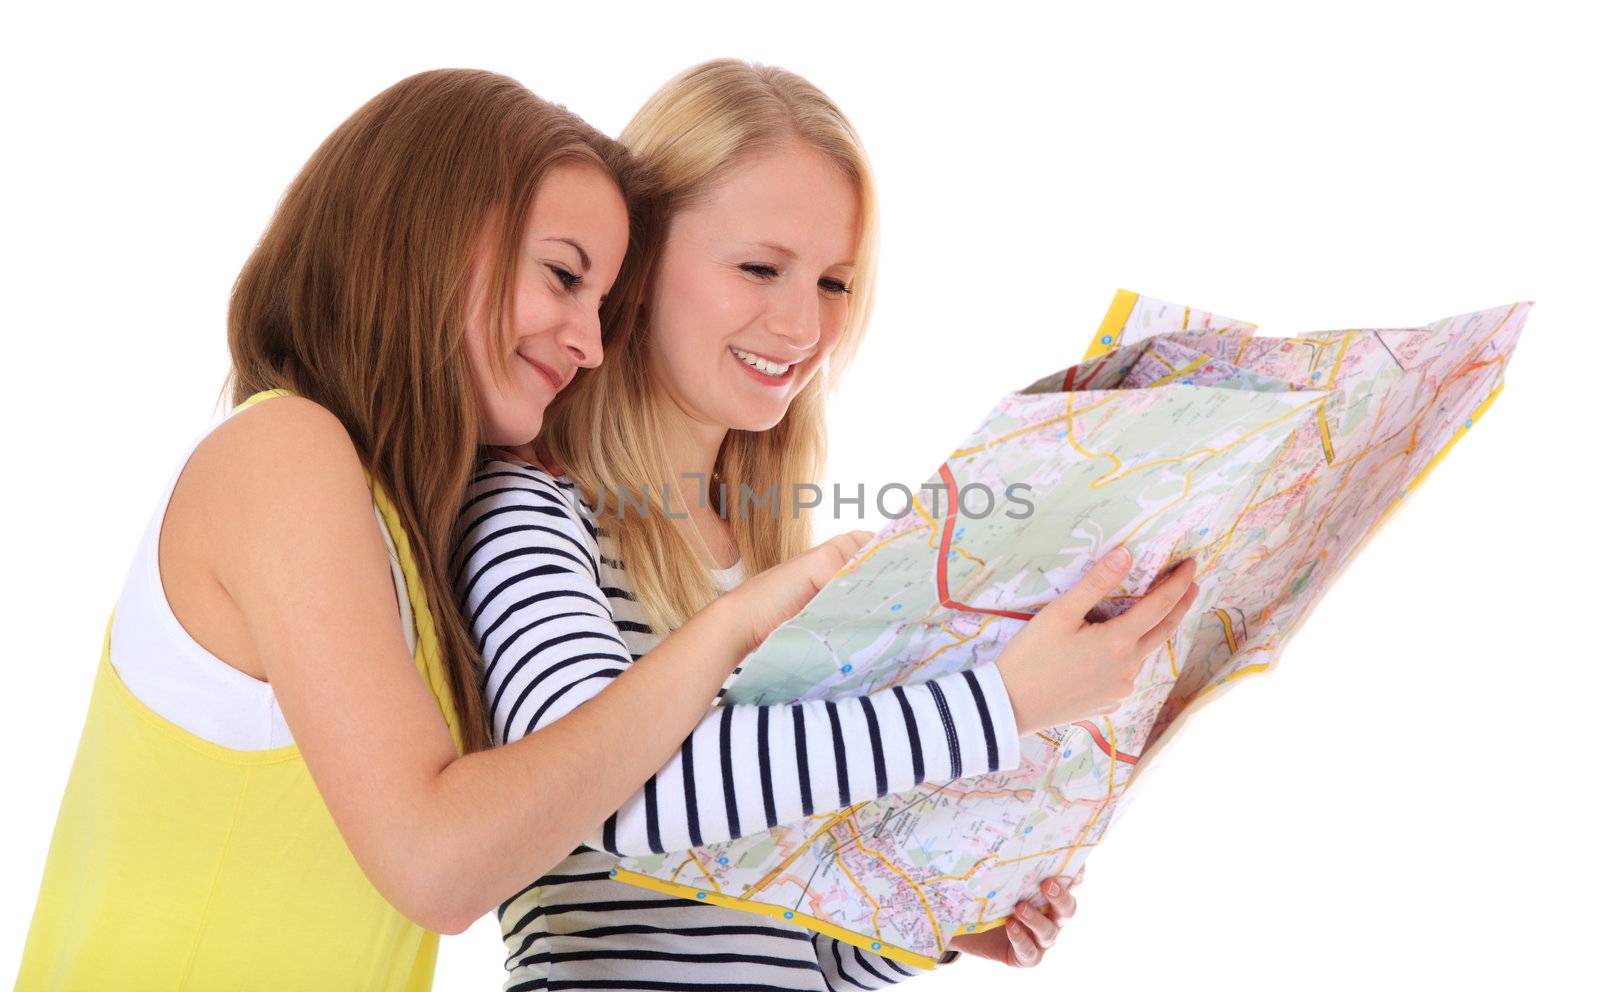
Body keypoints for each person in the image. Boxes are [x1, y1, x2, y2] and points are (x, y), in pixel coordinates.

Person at [14, 68, 950, 991]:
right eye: (562, 277)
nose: (589, 342)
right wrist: (742, 623)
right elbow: (440, 863)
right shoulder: (283, 453)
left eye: (603, 302)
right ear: (427, 241)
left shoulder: (399, 529)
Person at [456, 59, 1200, 991]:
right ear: (636, 267)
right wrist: (1000, 706)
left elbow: (794, 939)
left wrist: (934, 912)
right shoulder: (531, 513)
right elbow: (612, 795)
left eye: (837, 283)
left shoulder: (771, 559)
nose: (804, 326)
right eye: (760, 267)